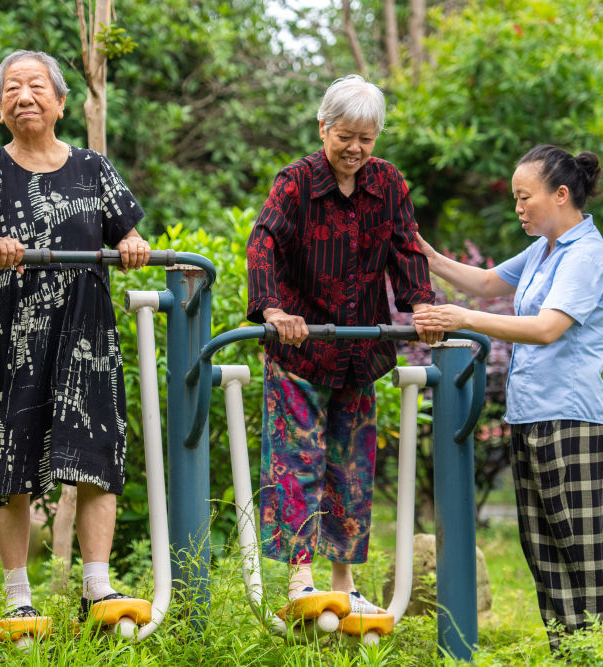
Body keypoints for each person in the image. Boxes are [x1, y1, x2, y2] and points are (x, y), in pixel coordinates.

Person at [0, 49, 151, 623]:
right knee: (11, 460)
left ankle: (98, 588)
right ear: (1, 109)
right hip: (13, 339)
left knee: (95, 459)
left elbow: (130, 236)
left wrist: (131, 246)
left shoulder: (94, 168)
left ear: (60, 103)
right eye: (11, 88)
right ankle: (17, 598)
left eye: (35, 86)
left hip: (88, 338)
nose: (23, 95)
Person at [246, 74, 442, 617]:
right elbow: (262, 242)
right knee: (297, 460)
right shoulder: (296, 183)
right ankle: (300, 580)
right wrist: (272, 309)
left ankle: (344, 580)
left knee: (351, 467)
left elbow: (406, 247)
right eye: (345, 136)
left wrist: (420, 304)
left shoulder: (388, 183)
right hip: (302, 350)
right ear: (323, 128)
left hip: (360, 350)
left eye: (367, 138)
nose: (355, 149)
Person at [411, 144, 603, 651]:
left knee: (576, 548)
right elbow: (484, 282)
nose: (518, 207)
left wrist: (462, 319)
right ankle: (565, 651)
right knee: (541, 548)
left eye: (525, 197)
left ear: (561, 194)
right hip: (532, 416)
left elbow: (548, 329)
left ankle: (595, 654)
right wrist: (426, 255)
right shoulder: (545, 249)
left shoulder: (585, 255)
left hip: (573, 420)